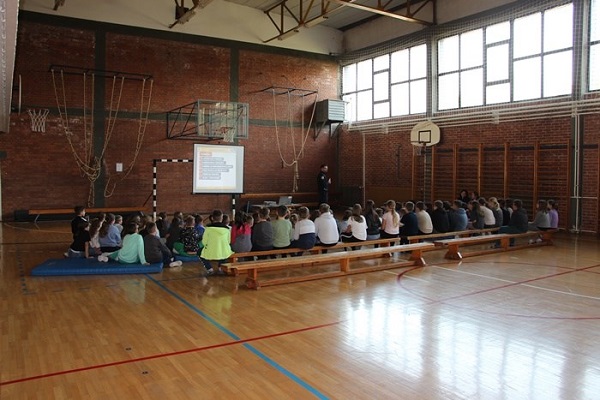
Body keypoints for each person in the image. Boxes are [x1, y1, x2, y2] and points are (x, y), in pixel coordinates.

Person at [200, 209, 234, 276]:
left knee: (199, 252)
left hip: (211, 252)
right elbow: (228, 241)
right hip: (223, 252)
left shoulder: (208, 229)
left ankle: (209, 269)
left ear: (212, 218)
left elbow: (204, 242)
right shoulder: (227, 229)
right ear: (222, 218)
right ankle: (220, 267)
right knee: (226, 250)